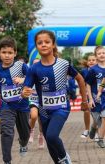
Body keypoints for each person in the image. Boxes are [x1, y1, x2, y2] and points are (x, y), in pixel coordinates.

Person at [22, 30, 88, 164]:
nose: (43, 45)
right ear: (36, 46)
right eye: (40, 43)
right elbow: (25, 88)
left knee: (52, 136)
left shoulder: (63, 64)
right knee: (49, 141)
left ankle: (65, 158)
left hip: (61, 107)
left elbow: (80, 79)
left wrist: (84, 100)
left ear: (53, 45)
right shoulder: (34, 68)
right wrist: (24, 93)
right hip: (44, 110)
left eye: (47, 42)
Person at [0, 36, 30, 164]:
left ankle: (23, 143)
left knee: (25, 134)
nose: (7, 55)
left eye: (10, 52)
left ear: (15, 53)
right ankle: (7, 161)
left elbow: (33, 77)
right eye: (4, 52)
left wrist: (23, 80)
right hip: (6, 105)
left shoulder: (21, 66)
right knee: (6, 132)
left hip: (23, 105)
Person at [85, 46, 105, 147]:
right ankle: (93, 128)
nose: (102, 55)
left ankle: (101, 139)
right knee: (97, 119)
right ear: (96, 56)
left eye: (103, 53)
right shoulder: (93, 70)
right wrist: (90, 99)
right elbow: (88, 84)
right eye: (99, 53)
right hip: (95, 98)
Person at [28, 58, 45, 149]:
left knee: (41, 121)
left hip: (43, 101)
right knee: (34, 116)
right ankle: (31, 130)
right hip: (33, 100)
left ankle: (41, 136)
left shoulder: (45, 74)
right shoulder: (30, 75)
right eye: (34, 64)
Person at [80, 53, 96, 138]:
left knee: (96, 114)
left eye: (93, 60)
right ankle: (86, 130)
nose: (91, 62)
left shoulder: (99, 70)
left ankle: (96, 131)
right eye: (89, 60)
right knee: (86, 111)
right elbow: (81, 83)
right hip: (86, 94)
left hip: (96, 94)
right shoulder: (84, 71)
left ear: (97, 61)